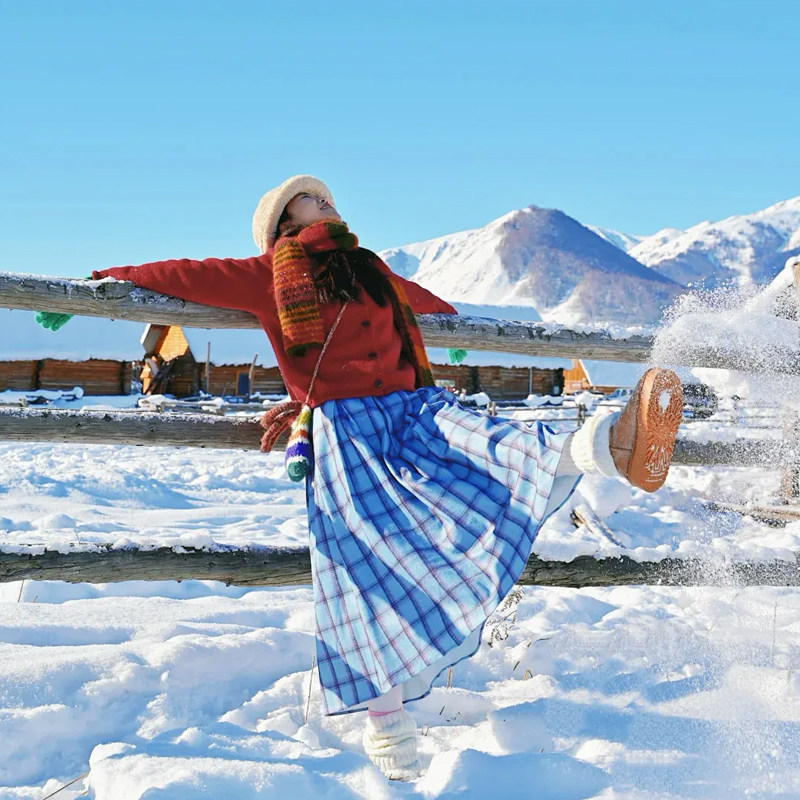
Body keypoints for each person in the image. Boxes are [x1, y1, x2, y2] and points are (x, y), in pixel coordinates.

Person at [39, 175, 684, 781]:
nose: (326, 201)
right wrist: (106, 278)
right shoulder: (268, 276)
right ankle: (386, 721)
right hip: (347, 434)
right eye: (310, 198)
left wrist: (455, 325)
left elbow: (418, 300)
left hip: (412, 410)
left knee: (493, 444)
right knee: (358, 569)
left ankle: (613, 444)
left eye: (324, 196)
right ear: (283, 221)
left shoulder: (368, 267)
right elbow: (190, 277)